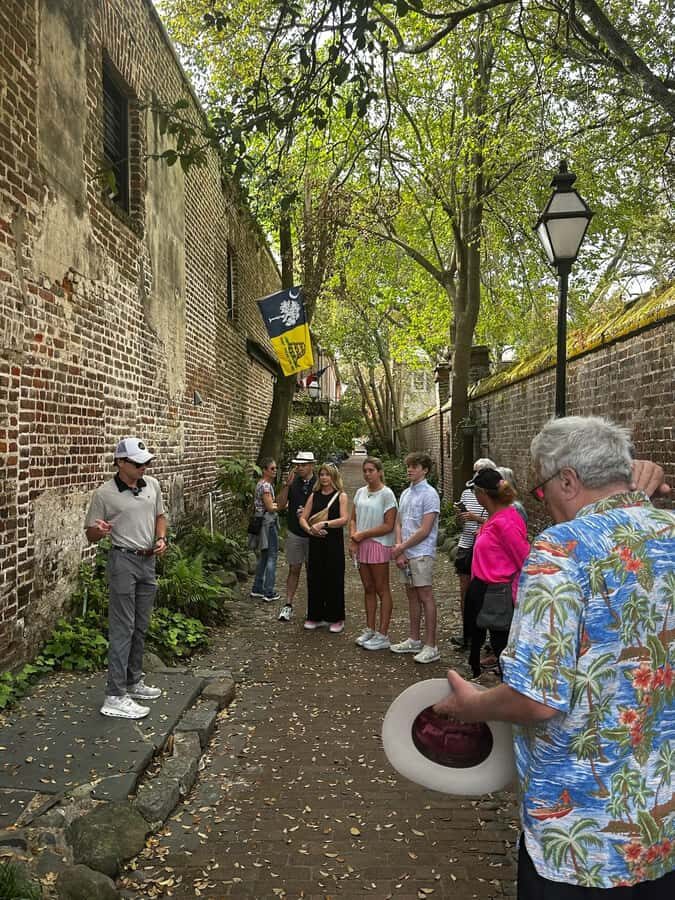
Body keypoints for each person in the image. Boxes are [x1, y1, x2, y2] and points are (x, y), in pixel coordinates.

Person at [434, 416, 675, 897]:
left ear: (568, 480)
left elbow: (537, 700)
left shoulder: (562, 549)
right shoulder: (668, 530)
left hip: (579, 833)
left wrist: (471, 706)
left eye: (542, 491)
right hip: (660, 822)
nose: (543, 504)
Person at [84, 437, 167, 720]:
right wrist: (99, 531)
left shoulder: (152, 485)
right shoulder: (104, 494)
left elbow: (160, 516)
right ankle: (115, 696)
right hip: (123, 561)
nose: (145, 466)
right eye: (138, 463)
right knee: (123, 627)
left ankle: (133, 681)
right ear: (120, 462)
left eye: (147, 462)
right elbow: (90, 534)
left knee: (140, 625)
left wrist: (161, 538)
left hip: (148, 560)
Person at [462, 467, 530, 679]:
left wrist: (517, 597)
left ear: (482, 493)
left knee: (501, 643)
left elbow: (524, 560)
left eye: (475, 491)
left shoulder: (506, 522)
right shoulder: (495, 518)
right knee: (479, 637)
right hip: (482, 588)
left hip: (497, 593)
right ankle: (480, 675)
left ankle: (508, 683)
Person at [390, 452, 441, 663]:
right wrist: (400, 550)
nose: (410, 470)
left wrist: (401, 546)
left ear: (425, 470)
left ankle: (431, 645)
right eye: (408, 466)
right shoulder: (405, 493)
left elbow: (425, 529)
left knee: (425, 595)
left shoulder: (430, 494)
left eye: (415, 466)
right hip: (406, 552)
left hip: (422, 552)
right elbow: (399, 522)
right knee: (411, 595)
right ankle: (414, 639)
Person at [350, 457, 398, 650]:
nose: (367, 474)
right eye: (365, 471)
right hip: (361, 544)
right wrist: (354, 538)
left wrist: (363, 535)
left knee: (381, 588)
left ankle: (383, 634)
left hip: (378, 544)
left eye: (371, 470)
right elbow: (353, 519)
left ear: (379, 472)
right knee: (368, 587)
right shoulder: (360, 492)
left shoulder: (387, 494)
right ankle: (369, 628)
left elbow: (389, 525)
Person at [298, 463, 349, 633]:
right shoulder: (314, 495)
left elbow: (344, 519)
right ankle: (315, 615)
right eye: (322, 474)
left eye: (327, 474)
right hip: (316, 542)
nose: (324, 477)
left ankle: (336, 617)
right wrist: (310, 529)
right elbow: (303, 517)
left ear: (334, 476)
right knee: (315, 577)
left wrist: (323, 524)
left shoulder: (341, 495)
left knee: (334, 578)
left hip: (333, 542)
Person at [452, 457, 496, 650]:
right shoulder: (466, 493)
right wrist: (460, 517)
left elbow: (496, 522)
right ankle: (467, 633)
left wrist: (476, 518)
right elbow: (460, 523)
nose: (476, 474)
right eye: (475, 470)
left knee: (484, 593)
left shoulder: (494, 496)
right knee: (465, 590)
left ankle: (487, 636)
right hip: (466, 543)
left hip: (483, 546)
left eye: (481, 471)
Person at [275, 451, 317, 622]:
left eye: (303, 465)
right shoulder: (293, 482)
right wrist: (287, 485)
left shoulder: (319, 482)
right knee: (294, 569)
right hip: (295, 532)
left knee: (313, 571)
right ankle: (288, 604)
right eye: (297, 465)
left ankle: (313, 607)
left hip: (313, 533)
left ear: (311, 465)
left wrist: (309, 514)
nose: (299, 468)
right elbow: (280, 505)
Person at [250, 458, 281, 602]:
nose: (275, 471)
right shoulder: (266, 486)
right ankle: (269, 591)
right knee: (271, 556)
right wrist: (281, 505)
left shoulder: (260, 484)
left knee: (264, 556)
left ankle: (257, 587)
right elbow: (269, 507)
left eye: (275, 468)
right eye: (272, 469)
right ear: (264, 470)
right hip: (268, 523)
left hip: (261, 522)